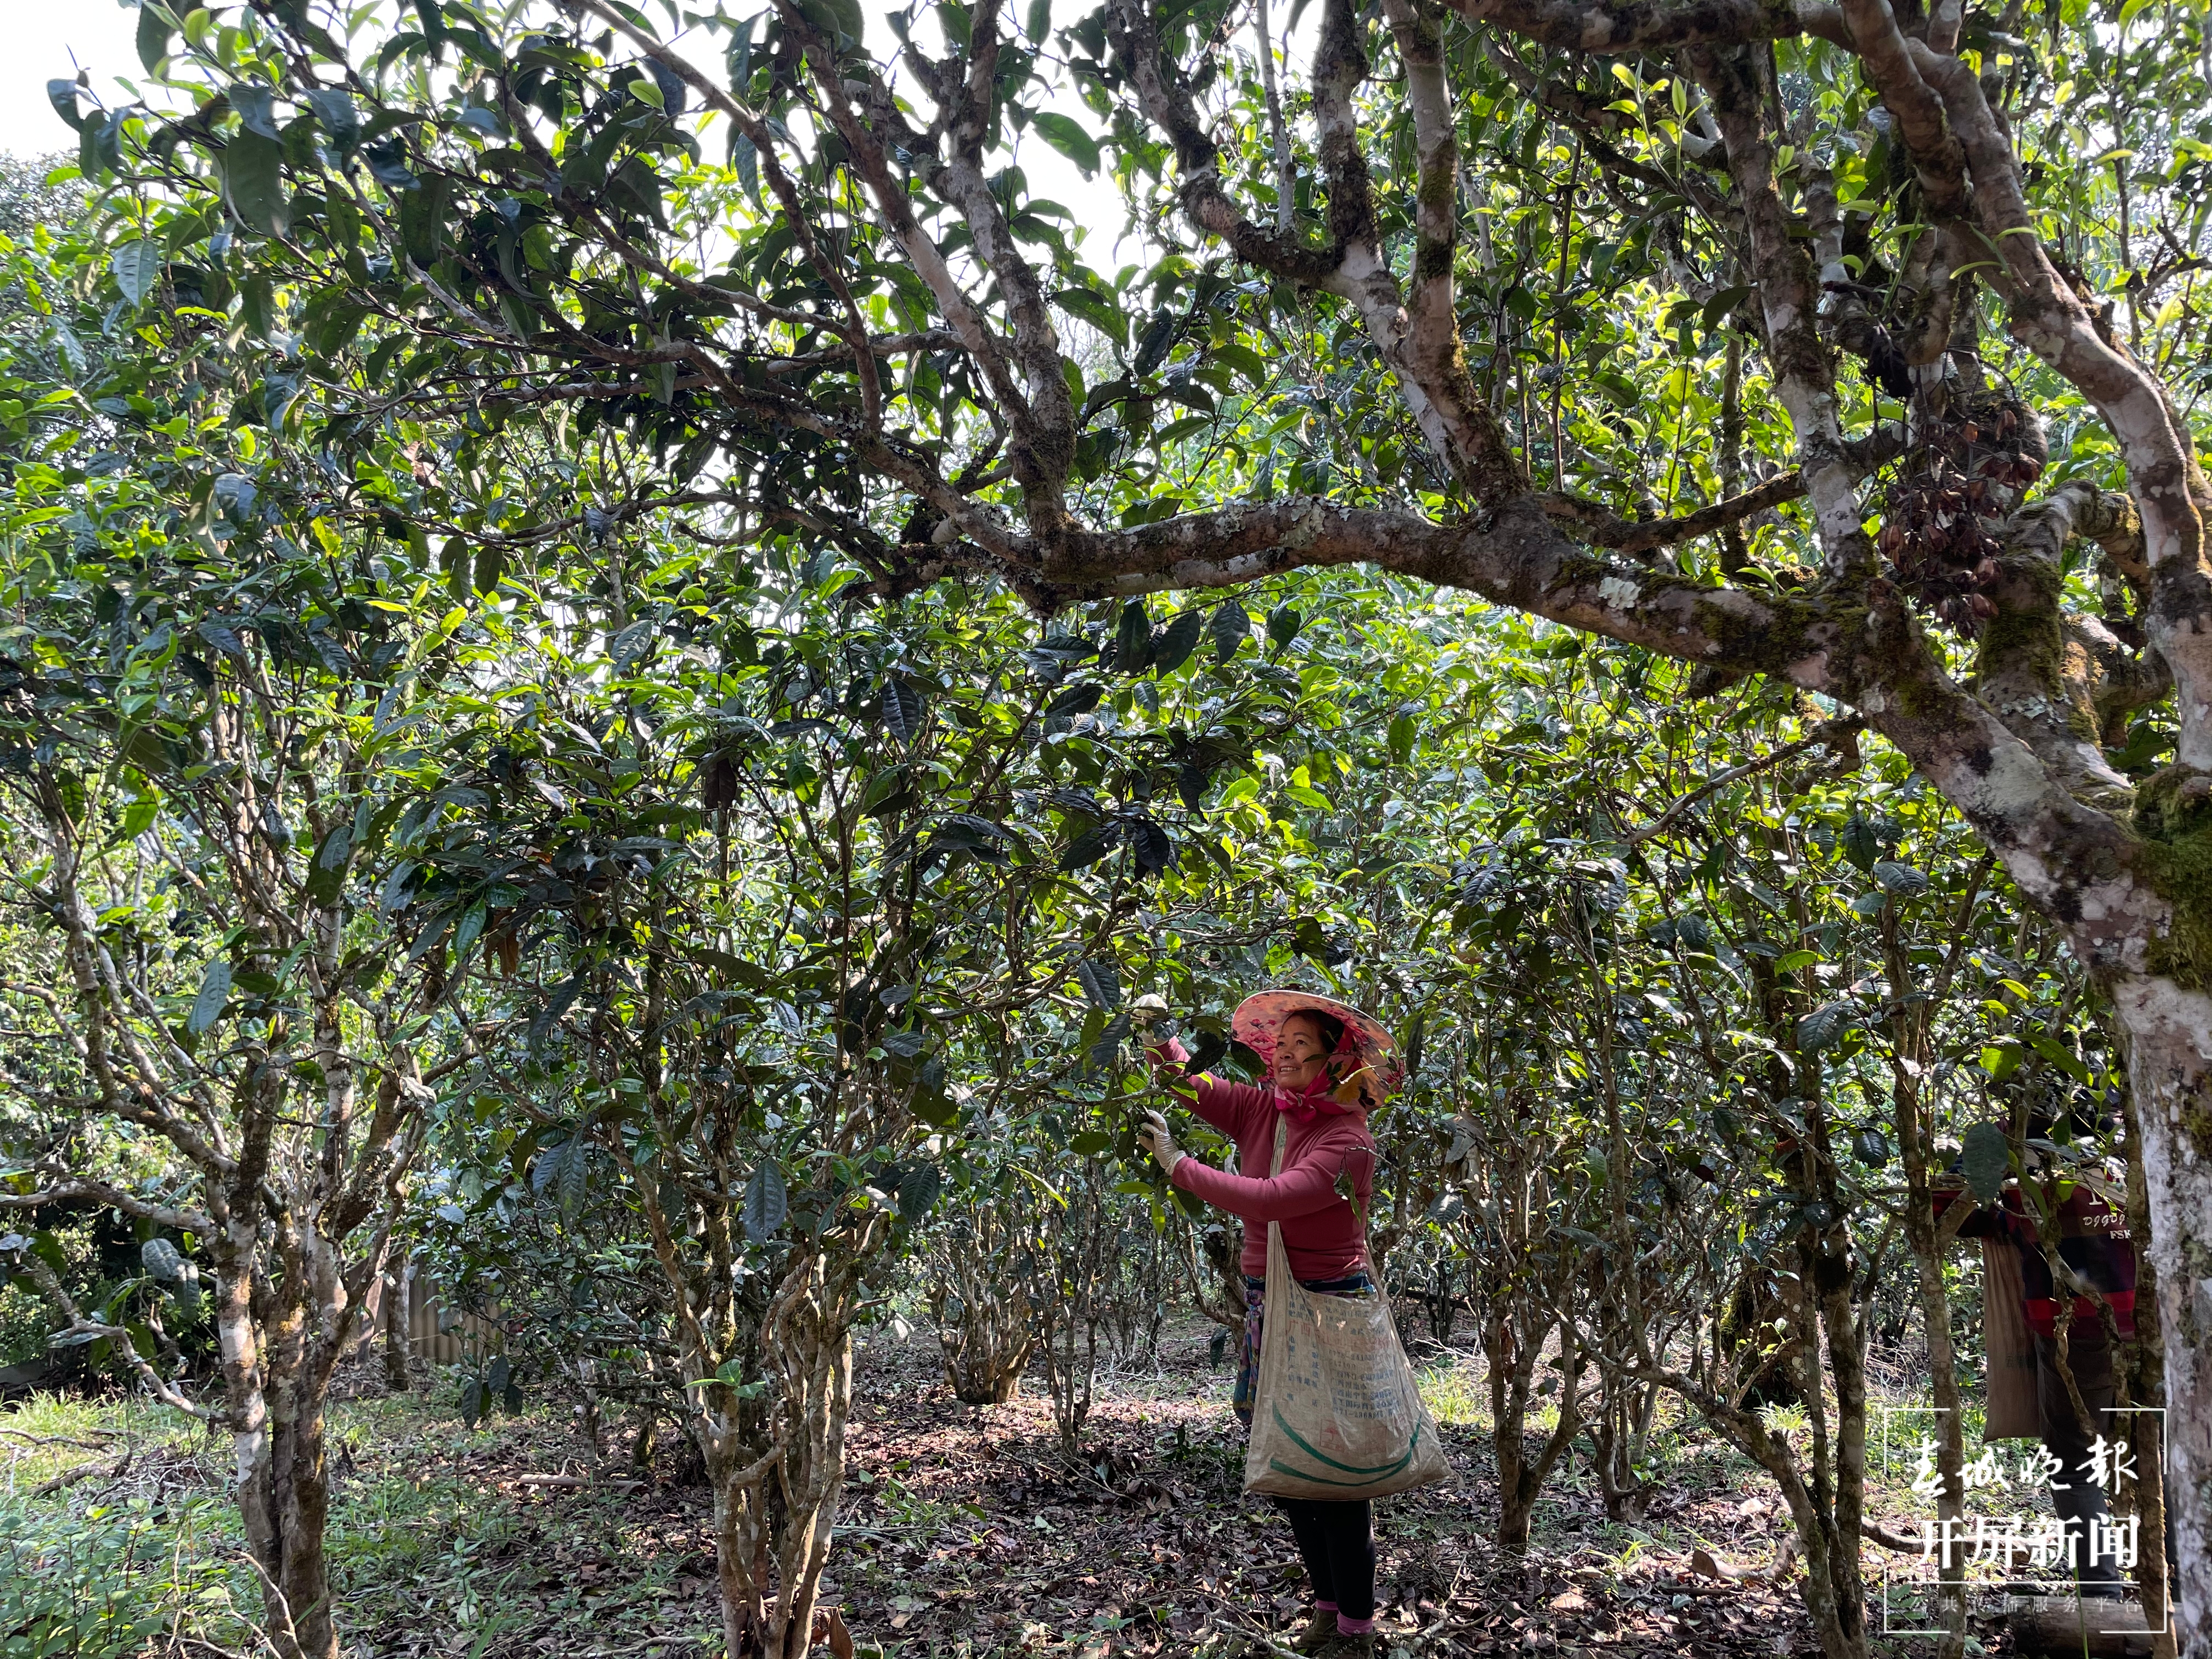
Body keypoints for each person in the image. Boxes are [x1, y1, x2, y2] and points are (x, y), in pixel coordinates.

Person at [1133, 991, 1392, 1658]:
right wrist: (1160, 1031)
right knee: (1284, 1464)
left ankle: (1356, 1632)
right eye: (1283, 1042)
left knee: (1334, 1476)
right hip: (1266, 1303)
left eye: (1304, 1045)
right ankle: (1328, 1608)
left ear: (1338, 1064)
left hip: (1328, 1307)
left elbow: (1274, 1201)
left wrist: (1178, 1167)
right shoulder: (1265, 1111)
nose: (1286, 1052)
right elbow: (1195, 1085)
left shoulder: (1347, 1141)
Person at [1939, 1132, 2137, 1598]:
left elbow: (1945, 1214)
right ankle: (2180, 1595)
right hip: (2156, 1326)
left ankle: (2103, 1599)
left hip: (2077, 1333)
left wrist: (1981, 1158)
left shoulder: (2021, 1178)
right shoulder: (2131, 1154)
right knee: (2156, 1459)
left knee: (2074, 1464)